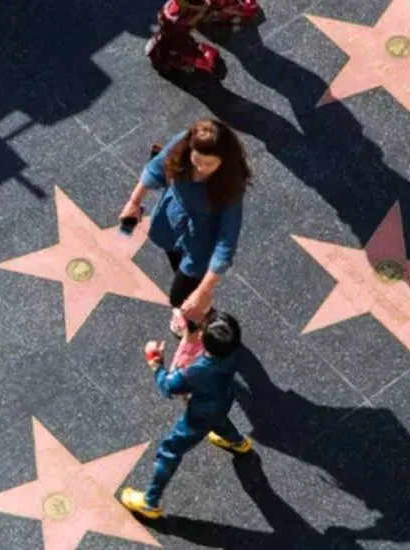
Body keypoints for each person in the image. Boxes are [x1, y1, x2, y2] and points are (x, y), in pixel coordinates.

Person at [118, 118, 251, 337]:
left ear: (224, 161)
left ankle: (195, 314)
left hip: (200, 242)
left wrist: (205, 289)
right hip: (170, 222)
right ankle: (197, 300)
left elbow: (227, 241)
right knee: (174, 258)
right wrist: (133, 202)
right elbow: (156, 168)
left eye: (209, 164)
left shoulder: (231, 187)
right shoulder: (182, 143)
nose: (200, 168)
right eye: (196, 160)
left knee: (178, 296)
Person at [121, 311, 253, 518]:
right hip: (224, 398)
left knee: (169, 449)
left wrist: (155, 362)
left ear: (201, 338)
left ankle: (150, 502)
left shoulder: (197, 371)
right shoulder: (233, 352)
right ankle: (238, 443)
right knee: (219, 421)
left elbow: (168, 387)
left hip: (199, 414)